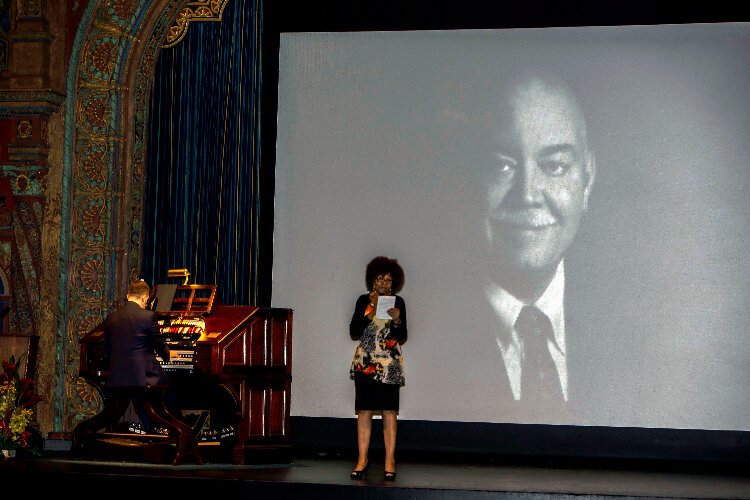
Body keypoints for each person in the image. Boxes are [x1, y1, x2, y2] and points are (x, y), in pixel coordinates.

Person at [470, 68, 596, 409]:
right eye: (502, 166)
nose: (527, 195)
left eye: (554, 166)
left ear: (588, 179)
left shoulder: (638, 327)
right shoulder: (409, 330)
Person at [349, 256, 407, 481]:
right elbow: (354, 331)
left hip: (390, 364)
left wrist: (397, 320)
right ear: (372, 280)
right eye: (380, 279)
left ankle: (389, 461)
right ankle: (362, 460)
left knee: (389, 412)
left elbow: (402, 336)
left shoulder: (398, 302)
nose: (384, 284)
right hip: (365, 363)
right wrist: (370, 308)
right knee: (364, 411)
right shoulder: (363, 301)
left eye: (388, 280)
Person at [104, 279, 172, 432]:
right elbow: (158, 344)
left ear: (128, 296)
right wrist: (168, 355)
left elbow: (108, 350)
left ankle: (151, 430)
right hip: (143, 375)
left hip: (118, 375)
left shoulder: (111, 318)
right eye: (146, 302)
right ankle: (174, 429)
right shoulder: (148, 316)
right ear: (144, 298)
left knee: (141, 398)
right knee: (170, 390)